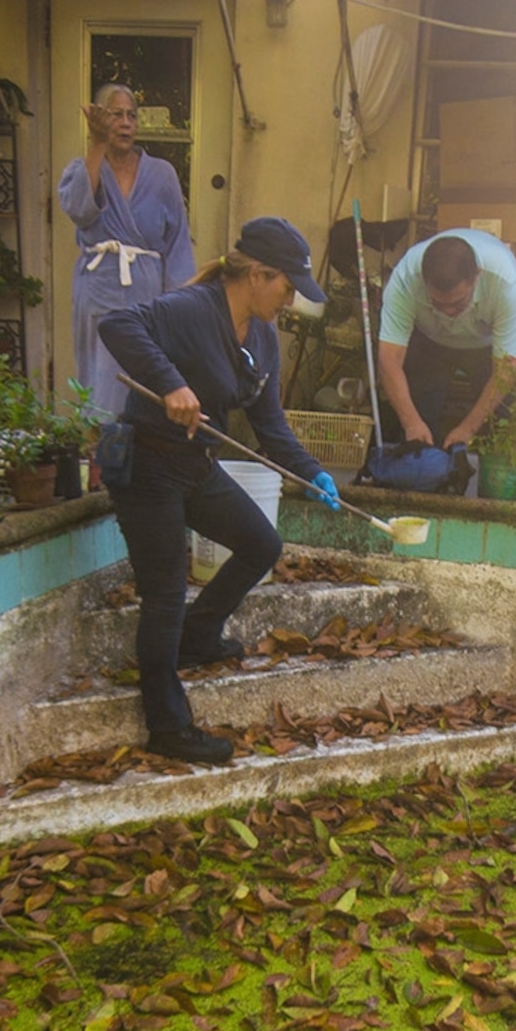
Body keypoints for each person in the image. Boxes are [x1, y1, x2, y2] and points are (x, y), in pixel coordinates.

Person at [98, 217, 344, 764]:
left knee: (262, 545)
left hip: (195, 467)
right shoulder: (191, 310)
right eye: (287, 288)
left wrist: (311, 471)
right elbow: (117, 325)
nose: (290, 301)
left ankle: (199, 636)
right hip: (148, 467)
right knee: (163, 595)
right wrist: (171, 385)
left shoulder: (261, 337)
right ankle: (168, 727)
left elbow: (270, 423)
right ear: (258, 275)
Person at [55, 82, 195, 418]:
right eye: (116, 115)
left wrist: (177, 305)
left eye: (132, 115)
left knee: (144, 376)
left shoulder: (163, 174)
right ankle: (99, 455)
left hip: (146, 293)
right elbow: (78, 210)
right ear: (100, 119)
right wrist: (96, 145)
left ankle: (135, 455)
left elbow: (177, 244)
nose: (126, 122)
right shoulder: (83, 168)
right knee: (98, 382)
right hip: (99, 286)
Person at [376, 228, 516, 450]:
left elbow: (506, 369)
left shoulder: (505, 281)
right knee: (417, 417)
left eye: (458, 302)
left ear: (477, 275)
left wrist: (467, 429)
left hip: (486, 345)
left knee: (504, 417)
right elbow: (389, 359)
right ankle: (422, 474)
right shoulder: (406, 278)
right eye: (438, 303)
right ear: (423, 279)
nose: (449, 313)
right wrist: (411, 423)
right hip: (430, 341)